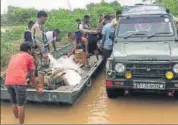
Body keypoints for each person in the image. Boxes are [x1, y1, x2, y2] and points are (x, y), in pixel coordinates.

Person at [5, 42, 43, 124]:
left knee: (14, 102)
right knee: (20, 105)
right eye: (31, 49)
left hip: (8, 81)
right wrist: (37, 88)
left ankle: (16, 119)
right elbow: (32, 75)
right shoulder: (29, 57)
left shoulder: (13, 56)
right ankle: (21, 123)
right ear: (29, 50)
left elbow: (18, 70)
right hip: (19, 83)